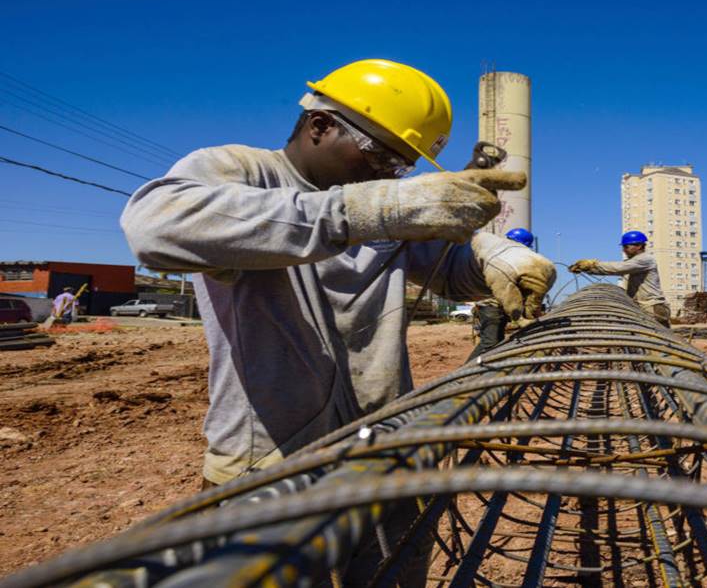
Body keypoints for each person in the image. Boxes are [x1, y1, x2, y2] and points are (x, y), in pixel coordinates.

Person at [121, 59, 556, 488]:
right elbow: (155, 227)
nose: (387, 173)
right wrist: (370, 210)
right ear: (320, 125)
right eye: (381, 154)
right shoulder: (243, 172)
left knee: (393, 559)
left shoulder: (385, 211)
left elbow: (452, 267)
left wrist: (497, 257)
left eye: (402, 166)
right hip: (268, 464)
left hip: (380, 448)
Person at [569, 231, 671, 327]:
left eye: (626, 246)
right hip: (644, 306)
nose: (624, 250)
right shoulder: (635, 261)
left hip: (652, 307)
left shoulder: (644, 259)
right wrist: (587, 269)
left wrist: (593, 265)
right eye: (623, 247)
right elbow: (615, 268)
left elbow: (618, 268)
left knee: (655, 339)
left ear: (639, 246)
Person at [466, 227, 538, 361]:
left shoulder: (498, 254)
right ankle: (463, 376)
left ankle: (481, 372)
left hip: (493, 305)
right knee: (490, 343)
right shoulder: (506, 258)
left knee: (497, 341)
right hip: (491, 306)